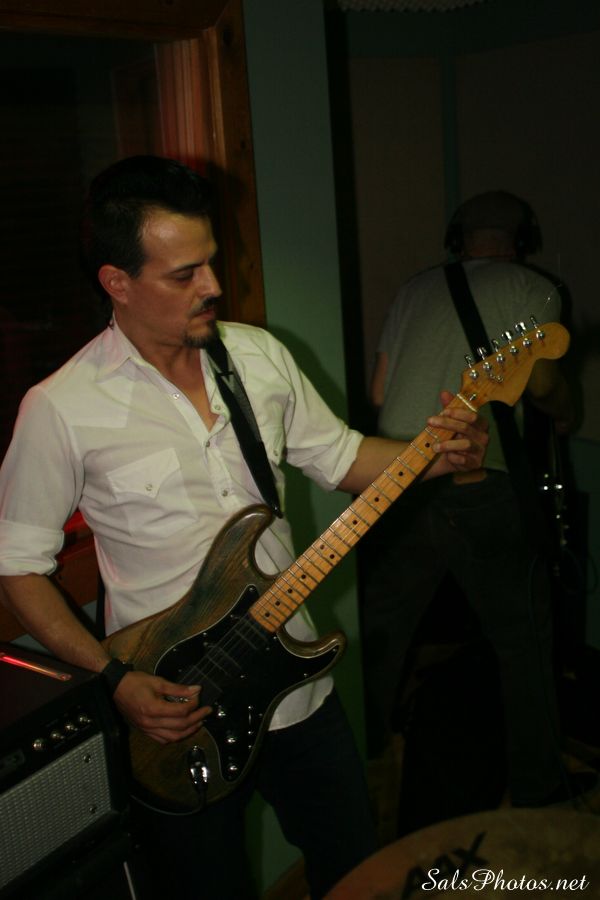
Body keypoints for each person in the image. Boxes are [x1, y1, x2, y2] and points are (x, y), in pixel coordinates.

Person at [0, 156, 488, 900]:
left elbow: (344, 458)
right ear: (117, 282)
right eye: (184, 274)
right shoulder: (61, 407)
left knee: (359, 874)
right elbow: (18, 566)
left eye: (211, 263)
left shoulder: (258, 356)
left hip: (298, 687)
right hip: (174, 711)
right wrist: (114, 681)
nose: (213, 286)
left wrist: (436, 455)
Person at [362, 190, 588, 821]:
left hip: (397, 479)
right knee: (523, 640)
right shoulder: (534, 289)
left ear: (457, 239)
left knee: (379, 635)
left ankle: (363, 772)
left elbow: (379, 392)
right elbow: (541, 383)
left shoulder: (413, 289)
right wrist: (567, 412)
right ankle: (539, 791)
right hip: (476, 481)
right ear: (522, 241)